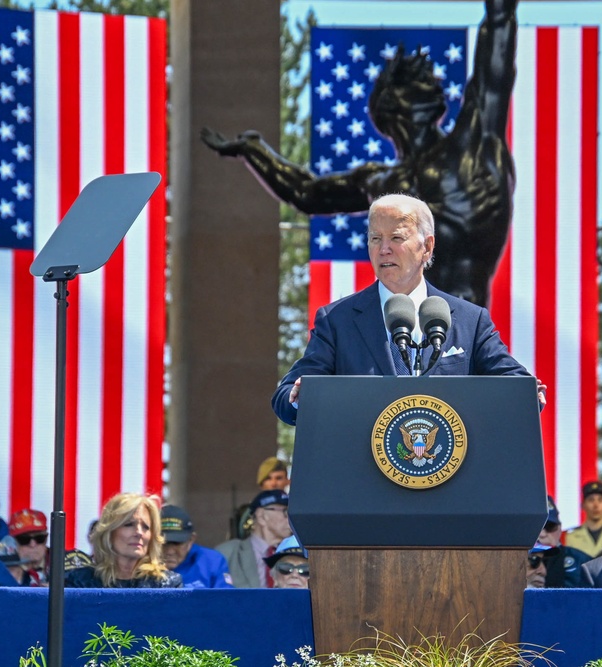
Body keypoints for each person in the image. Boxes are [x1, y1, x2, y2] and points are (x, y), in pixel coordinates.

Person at [202, 0, 520, 307]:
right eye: (416, 84)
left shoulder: (474, 145)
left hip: (461, 334)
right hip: (404, 341)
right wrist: (253, 149)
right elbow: (307, 193)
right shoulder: (387, 183)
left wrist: (253, 149)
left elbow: (497, 39)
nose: (430, 84)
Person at [270, 193, 545, 425]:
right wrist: (300, 398)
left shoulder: (470, 321)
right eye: (375, 239)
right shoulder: (337, 321)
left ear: (427, 247)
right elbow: (286, 396)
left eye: (396, 238)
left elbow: (515, 385)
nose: (384, 249)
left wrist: (529, 395)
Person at [65, 493, 182, 588]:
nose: (139, 533)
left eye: (146, 527)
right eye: (129, 524)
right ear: (109, 532)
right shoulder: (79, 582)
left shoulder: (167, 585)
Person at [215, 490, 293, 588]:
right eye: (285, 512)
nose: (291, 518)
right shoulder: (228, 553)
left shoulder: (297, 553)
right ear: (261, 517)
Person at [160, 504, 234, 588]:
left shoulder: (212, 562)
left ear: (191, 540)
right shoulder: (144, 564)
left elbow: (226, 598)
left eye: (177, 543)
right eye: (164, 543)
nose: (170, 551)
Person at [563, 481, 602, 558]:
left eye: (600, 500)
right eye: (591, 500)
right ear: (583, 505)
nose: (596, 505)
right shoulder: (569, 538)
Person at [9, 508, 50, 587]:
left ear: (46, 539)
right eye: (24, 539)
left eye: (39, 538)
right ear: (13, 542)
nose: (32, 545)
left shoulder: (64, 563)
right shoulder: (2, 567)